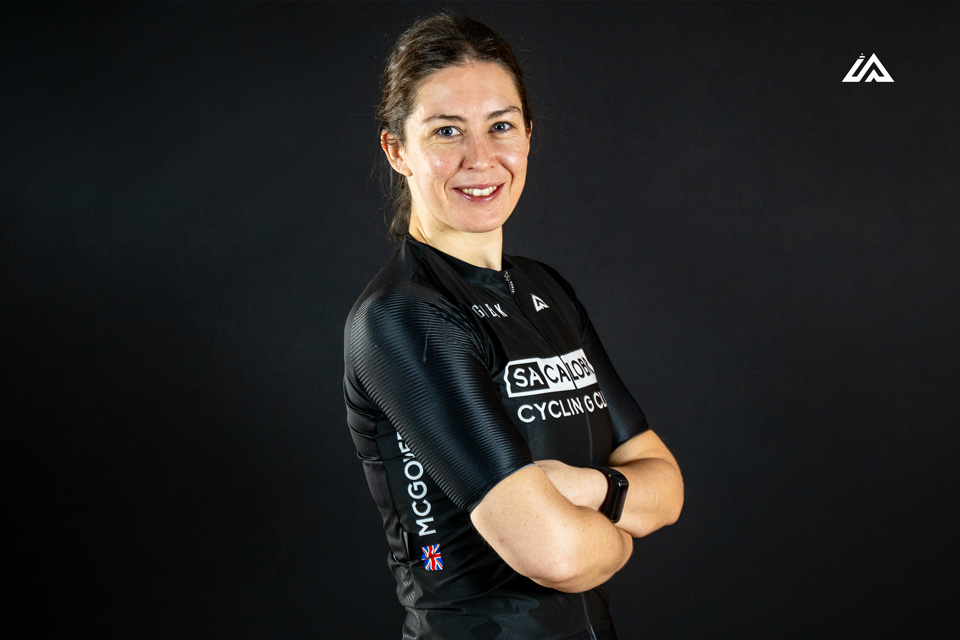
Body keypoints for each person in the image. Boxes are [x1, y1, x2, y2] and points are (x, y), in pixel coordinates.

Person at [343, 13, 684, 639]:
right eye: (447, 131)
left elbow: (666, 484)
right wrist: (621, 535)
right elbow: (556, 555)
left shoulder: (545, 290)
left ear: (527, 134)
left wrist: (586, 488)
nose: (481, 159)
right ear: (397, 150)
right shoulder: (404, 316)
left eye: (500, 126)